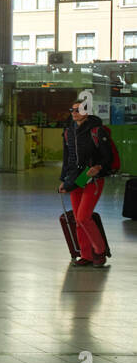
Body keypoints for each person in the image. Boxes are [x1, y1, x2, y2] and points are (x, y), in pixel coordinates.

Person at [59, 93, 114, 267]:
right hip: (76, 179)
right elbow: (67, 158)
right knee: (77, 218)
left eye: (78, 110)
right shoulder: (68, 132)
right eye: (72, 110)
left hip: (92, 179)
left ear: (87, 111)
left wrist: (98, 168)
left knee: (83, 217)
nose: (74, 113)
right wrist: (64, 179)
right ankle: (86, 255)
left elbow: (108, 157)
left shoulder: (97, 131)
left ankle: (99, 251)